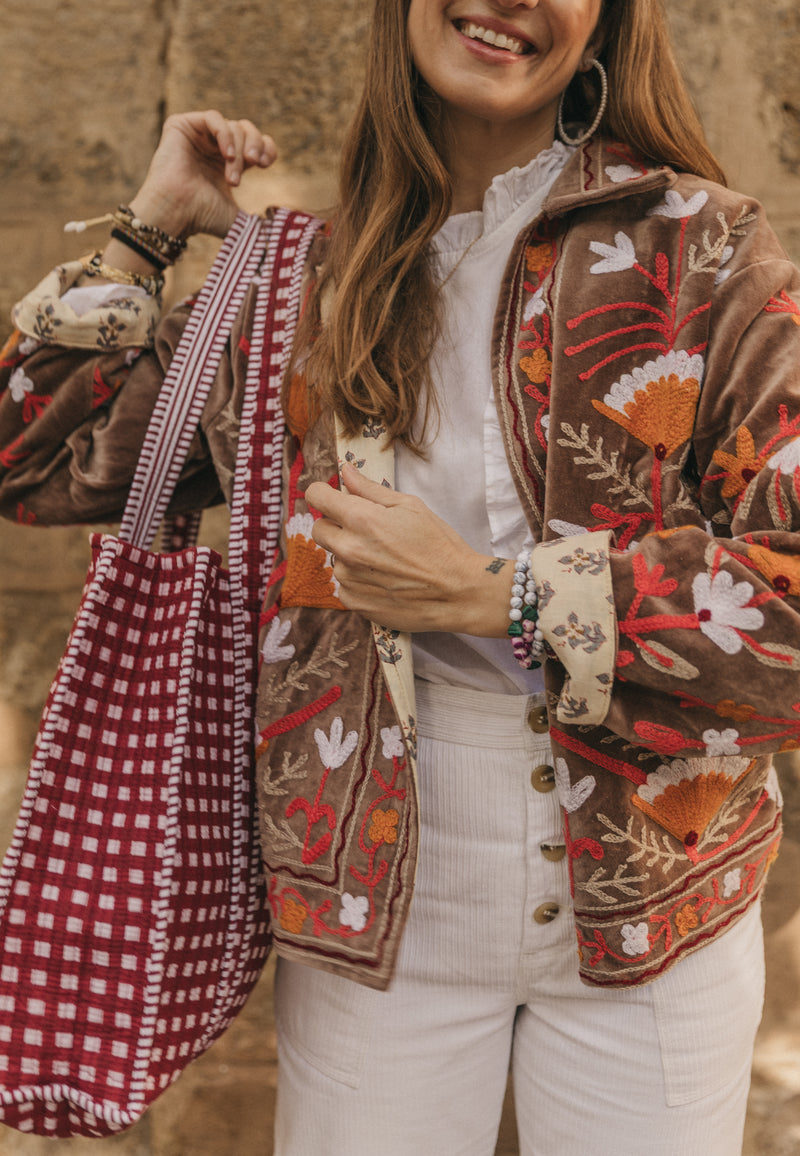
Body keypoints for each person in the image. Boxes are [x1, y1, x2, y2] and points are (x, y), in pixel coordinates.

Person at [1, 0, 799, 1152]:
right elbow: (28, 460)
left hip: (661, 908)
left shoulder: (702, 252)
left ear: (604, 20)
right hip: (374, 917)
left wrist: (502, 595)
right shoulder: (295, 287)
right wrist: (151, 225)